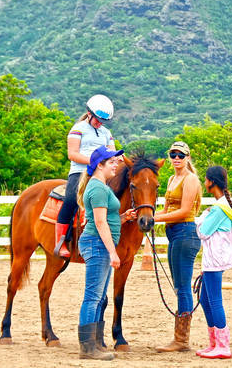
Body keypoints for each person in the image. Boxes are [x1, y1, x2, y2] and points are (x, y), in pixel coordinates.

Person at [76, 146, 137, 360]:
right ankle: (87, 348)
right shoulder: (99, 188)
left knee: (99, 296)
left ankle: (94, 343)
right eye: (111, 161)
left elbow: (103, 219)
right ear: (100, 165)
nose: (116, 164)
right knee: (92, 297)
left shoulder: (100, 186)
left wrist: (122, 218)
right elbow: (100, 223)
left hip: (97, 242)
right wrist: (113, 252)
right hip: (97, 244)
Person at [154, 141, 202, 352]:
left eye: (180, 155)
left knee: (182, 286)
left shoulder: (190, 180)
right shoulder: (172, 179)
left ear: (187, 158)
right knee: (178, 284)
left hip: (185, 231)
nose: (176, 158)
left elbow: (184, 211)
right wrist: (150, 216)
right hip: (174, 232)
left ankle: (181, 340)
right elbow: (165, 209)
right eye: (173, 154)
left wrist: (154, 219)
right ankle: (180, 337)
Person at [55, 94, 116, 259]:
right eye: (97, 119)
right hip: (79, 172)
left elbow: (112, 153)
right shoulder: (78, 129)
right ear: (89, 113)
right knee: (70, 199)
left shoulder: (106, 133)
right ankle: (61, 241)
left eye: (102, 120)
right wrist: (94, 161)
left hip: (101, 173)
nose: (99, 123)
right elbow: (72, 154)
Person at [195, 166, 232, 359]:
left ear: (211, 182)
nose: (204, 183)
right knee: (205, 299)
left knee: (214, 300)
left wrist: (203, 217)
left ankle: (222, 345)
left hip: (214, 260)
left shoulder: (217, 209)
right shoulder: (223, 205)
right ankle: (214, 342)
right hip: (214, 259)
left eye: (205, 180)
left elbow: (202, 233)